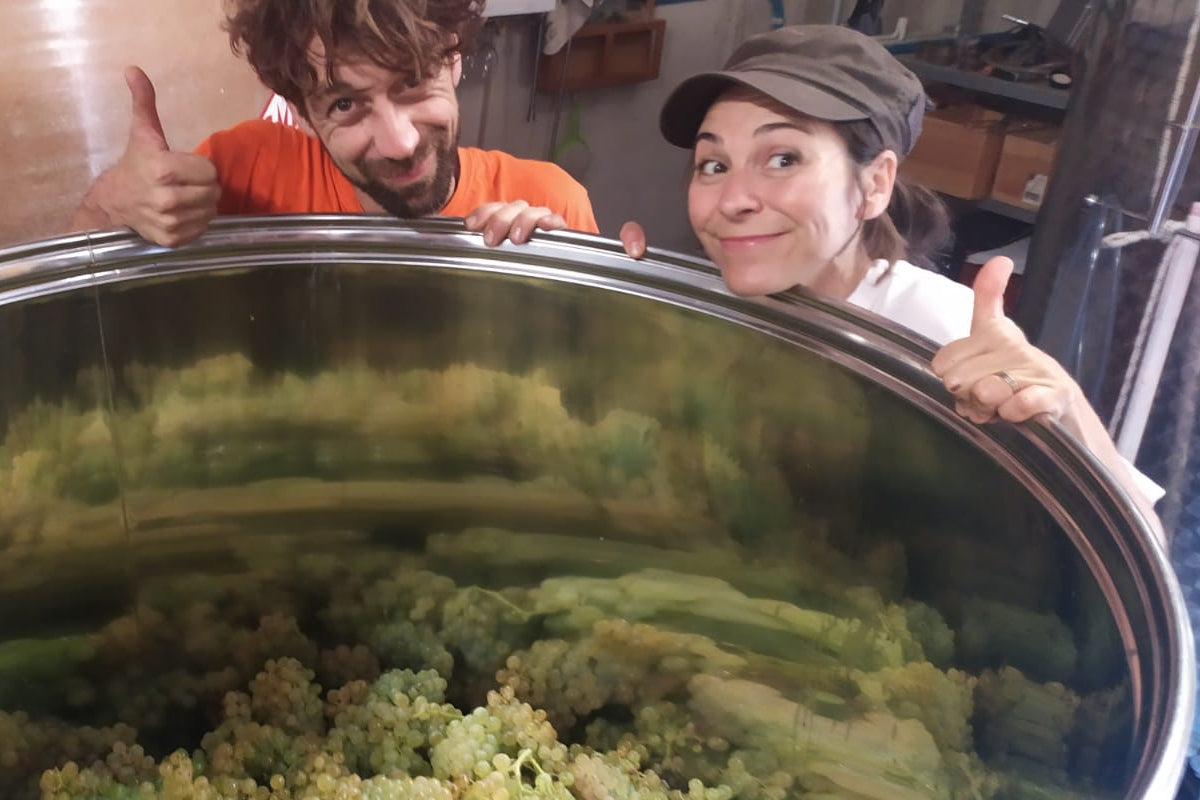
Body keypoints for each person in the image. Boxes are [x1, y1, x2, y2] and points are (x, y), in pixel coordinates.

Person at [611, 24, 1167, 540]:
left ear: (875, 184)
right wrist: (547, 262)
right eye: (713, 164)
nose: (732, 200)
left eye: (783, 158)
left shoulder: (934, 329)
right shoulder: (696, 308)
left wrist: (1064, 409)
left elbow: (1143, 542)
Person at [69, 0, 597, 248]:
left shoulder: (553, 202)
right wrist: (111, 202)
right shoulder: (243, 173)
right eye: (345, 104)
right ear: (298, 111)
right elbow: (76, 315)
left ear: (456, 59)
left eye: (413, 81)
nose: (400, 142)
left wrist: (553, 281)